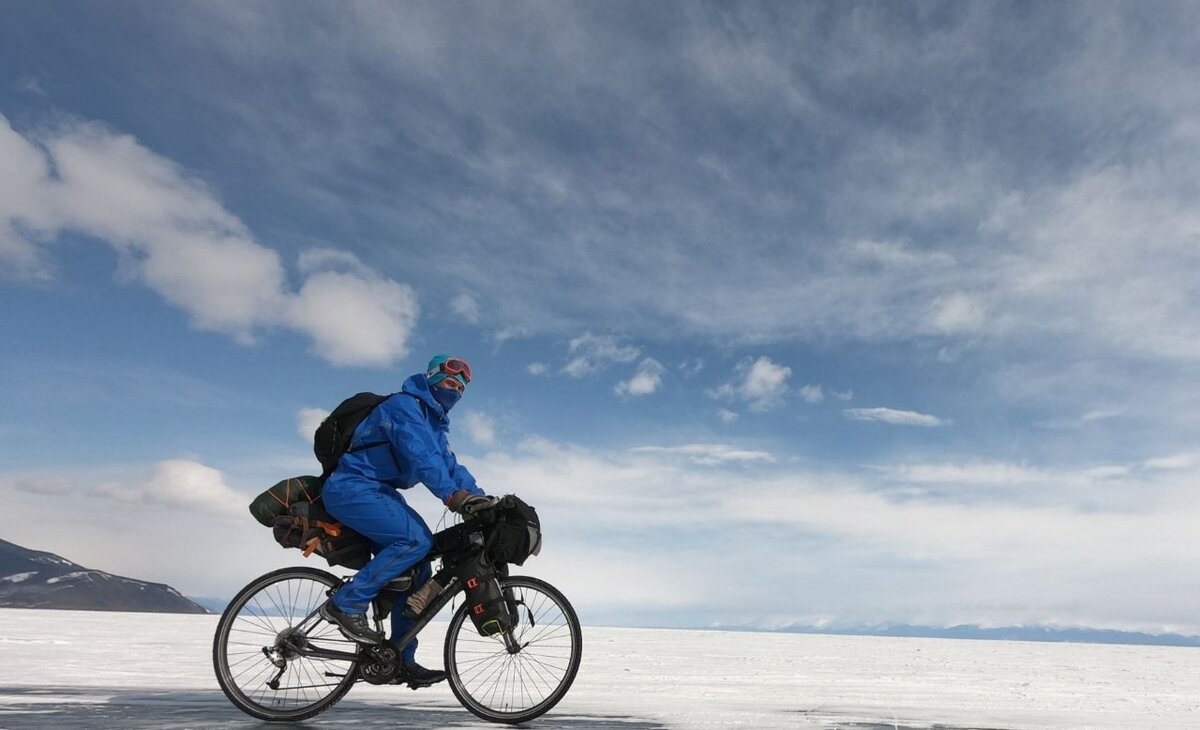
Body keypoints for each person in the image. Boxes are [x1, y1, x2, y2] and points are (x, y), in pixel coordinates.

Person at [319, 354, 492, 685]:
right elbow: (423, 457)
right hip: (352, 487)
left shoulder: (433, 426)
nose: (455, 388)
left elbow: (449, 466)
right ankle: (347, 604)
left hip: (377, 491)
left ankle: (399, 658)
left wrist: (481, 498)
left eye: (461, 386)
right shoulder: (404, 407)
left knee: (419, 567)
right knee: (415, 540)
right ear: (431, 377)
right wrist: (454, 497)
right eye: (450, 380)